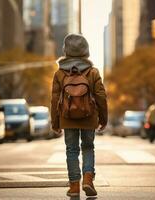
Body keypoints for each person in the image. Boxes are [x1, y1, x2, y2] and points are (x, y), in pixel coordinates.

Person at [51, 33, 108, 197]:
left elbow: (54, 100)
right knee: (88, 147)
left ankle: (74, 185)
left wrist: (55, 122)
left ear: (66, 51)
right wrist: (103, 119)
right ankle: (88, 179)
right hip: (89, 118)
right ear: (86, 51)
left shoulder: (60, 74)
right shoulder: (93, 72)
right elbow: (101, 97)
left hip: (67, 118)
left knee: (71, 150)